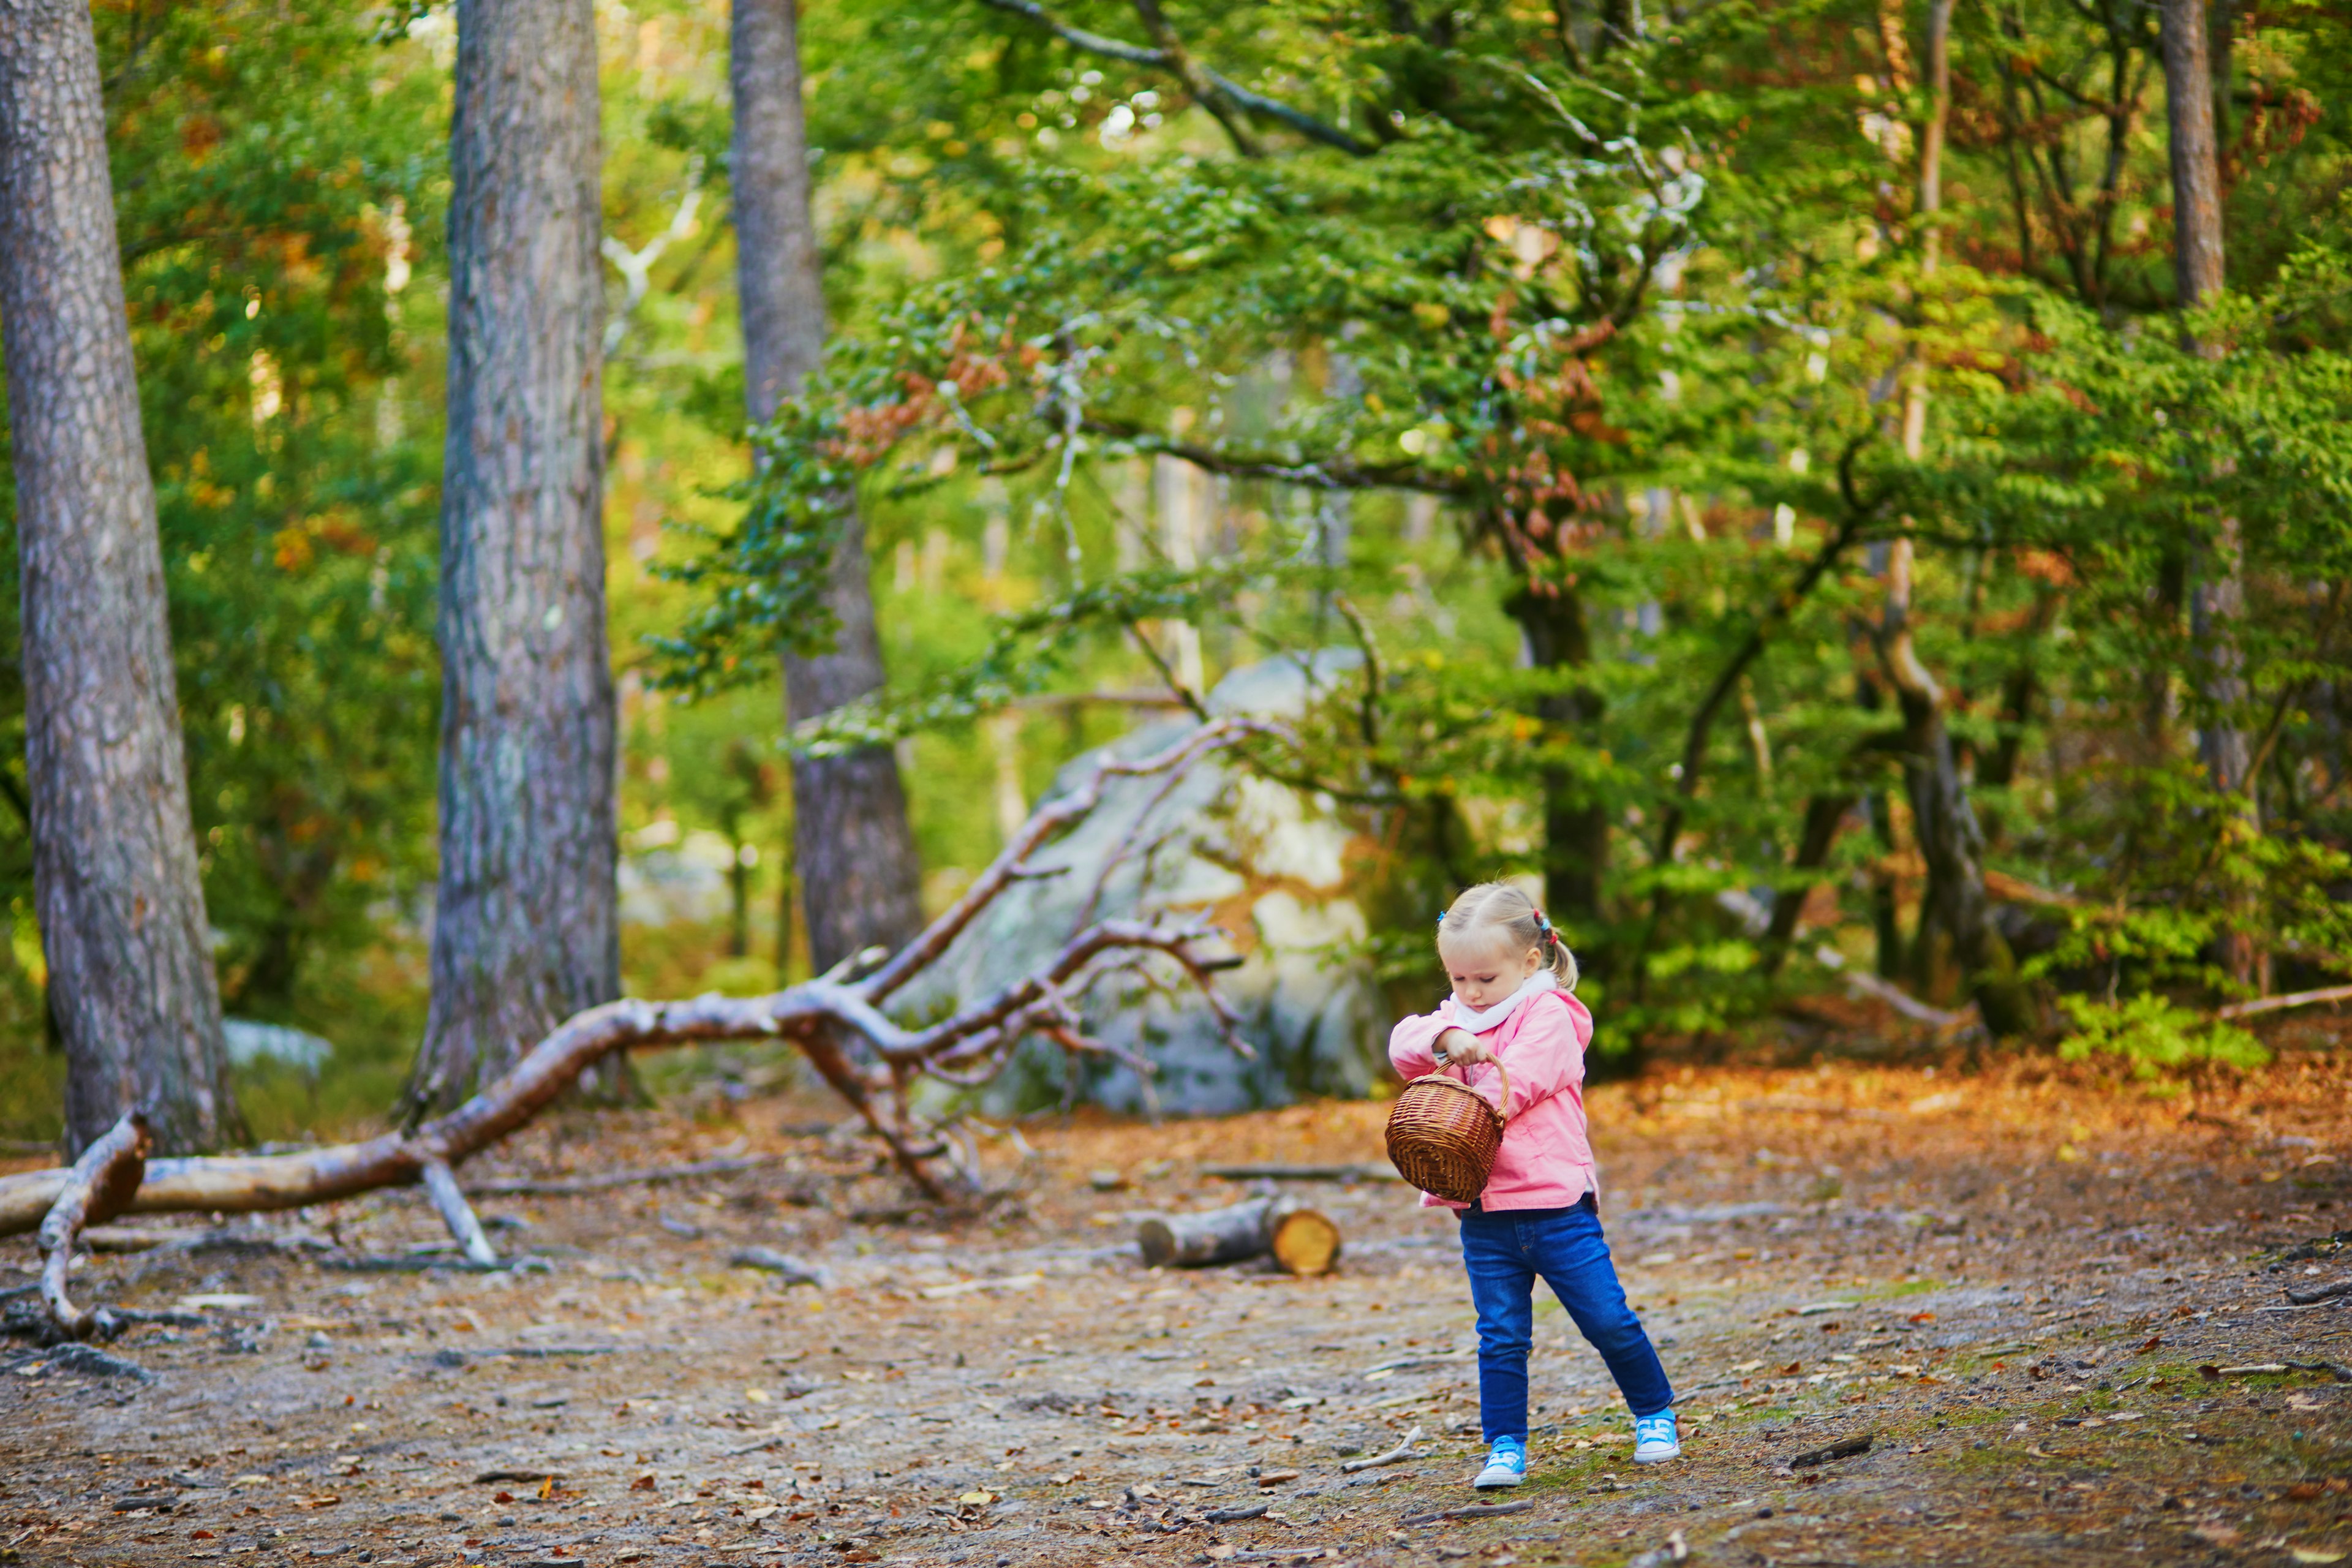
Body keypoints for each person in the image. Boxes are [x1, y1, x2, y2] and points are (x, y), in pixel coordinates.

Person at [1388, 881, 1679, 1489]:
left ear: (1529, 961)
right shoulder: (1459, 1015)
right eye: (1458, 978)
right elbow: (1402, 1042)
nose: (1469, 992)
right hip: (1483, 1212)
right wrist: (1444, 1039)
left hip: (1554, 1205)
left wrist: (1467, 1073)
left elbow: (1512, 1085)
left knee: (1606, 1317)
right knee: (1499, 1334)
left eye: (1483, 980)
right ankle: (1504, 1445)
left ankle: (1654, 1412)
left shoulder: (1551, 1015)